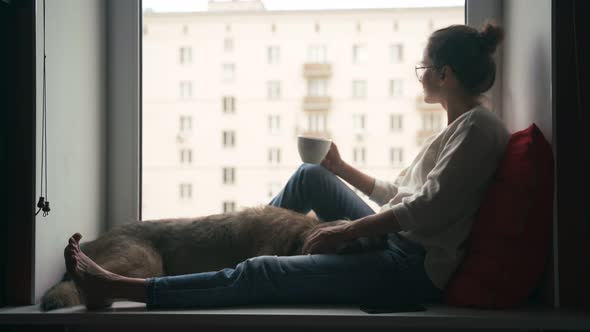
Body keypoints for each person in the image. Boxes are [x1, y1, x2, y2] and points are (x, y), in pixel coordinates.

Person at [63, 22, 510, 309]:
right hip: (396, 240)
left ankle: (122, 287)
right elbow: (403, 196)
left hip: (411, 269)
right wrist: (339, 167)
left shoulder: (479, 130)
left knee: (264, 272)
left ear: (446, 75)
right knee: (310, 175)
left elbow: (427, 209)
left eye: (424, 68)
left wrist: (346, 230)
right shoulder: (458, 127)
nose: (421, 76)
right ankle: (240, 250)